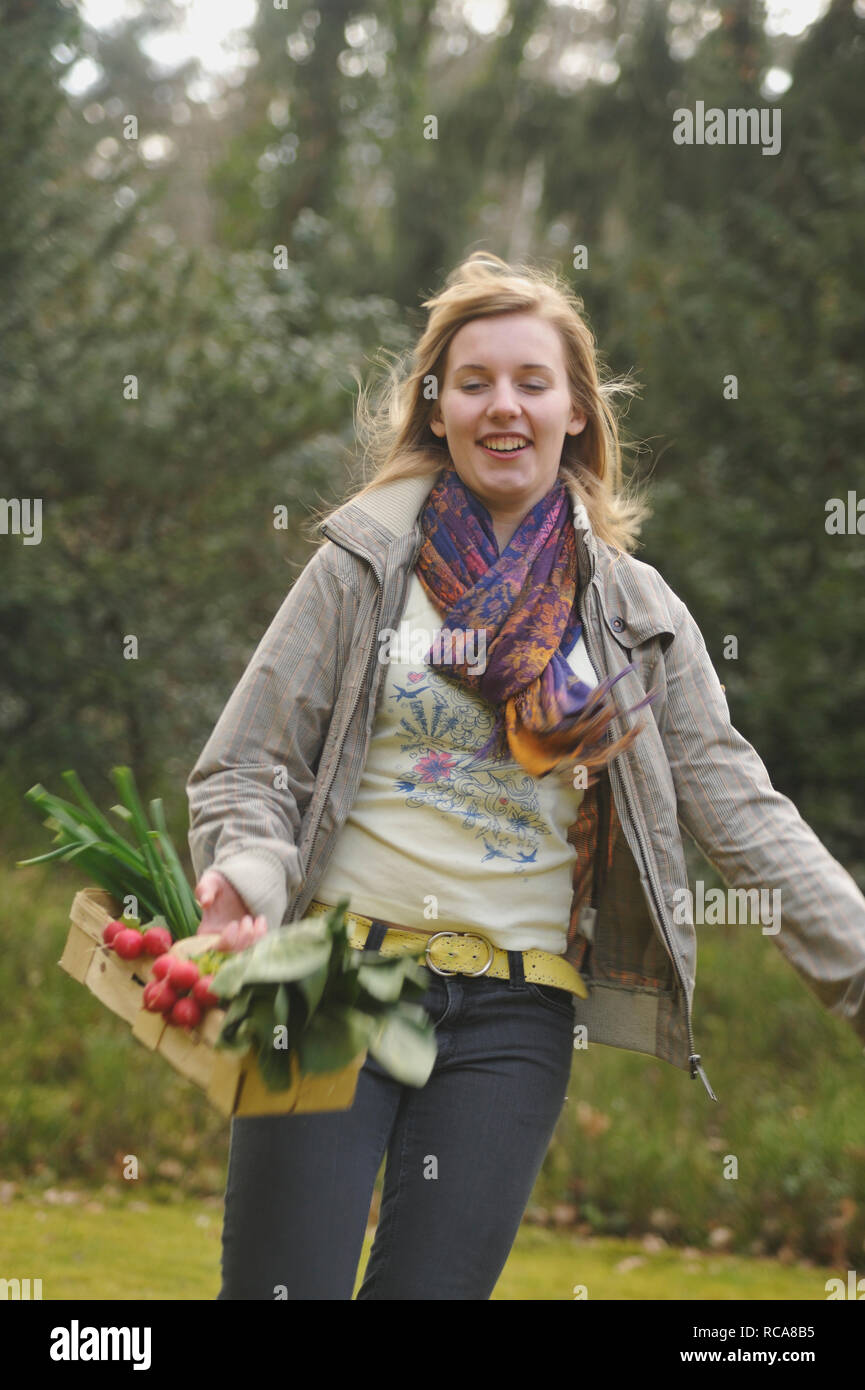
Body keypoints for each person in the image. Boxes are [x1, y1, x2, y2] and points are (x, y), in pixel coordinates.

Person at [186, 251, 865, 1301]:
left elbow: (742, 812)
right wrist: (248, 876)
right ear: (438, 407)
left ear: (577, 411)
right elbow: (250, 763)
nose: (503, 404)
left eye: (531, 381)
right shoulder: (363, 565)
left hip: (514, 1015)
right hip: (326, 981)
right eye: (473, 381)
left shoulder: (637, 617)